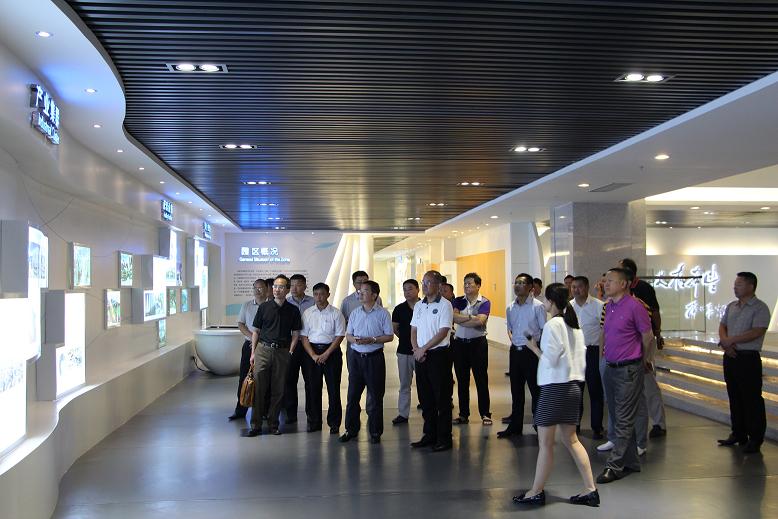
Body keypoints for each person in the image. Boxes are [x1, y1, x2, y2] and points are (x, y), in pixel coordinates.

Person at [513, 283, 599, 507]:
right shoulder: (574, 326)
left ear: (551, 302)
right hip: (573, 387)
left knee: (546, 443)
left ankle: (536, 491)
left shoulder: (553, 325)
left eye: (546, 299)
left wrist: (533, 347)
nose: (544, 302)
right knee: (571, 439)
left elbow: (550, 359)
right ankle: (590, 489)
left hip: (554, 388)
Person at [596, 268, 654, 484]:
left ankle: (615, 464)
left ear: (623, 284)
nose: (605, 284)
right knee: (617, 414)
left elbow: (648, 336)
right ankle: (631, 462)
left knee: (624, 417)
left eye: (610, 281)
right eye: (605, 280)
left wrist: (644, 360)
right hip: (610, 366)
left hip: (629, 368)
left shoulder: (635, 306)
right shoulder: (609, 306)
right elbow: (605, 334)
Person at [718, 272, 771, 454]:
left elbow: (757, 331)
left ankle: (755, 438)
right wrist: (726, 343)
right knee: (734, 396)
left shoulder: (760, 308)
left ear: (751, 286)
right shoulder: (731, 306)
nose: (735, 287)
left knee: (751, 399)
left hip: (748, 358)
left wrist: (731, 340)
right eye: (735, 284)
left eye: (739, 284)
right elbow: (722, 325)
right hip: (731, 356)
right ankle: (738, 433)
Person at [244, 275, 302, 436]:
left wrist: (290, 351)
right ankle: (255, 425)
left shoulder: (293, 310)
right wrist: (253, 353)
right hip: (263, 350)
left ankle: (273, 424)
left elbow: (295, 334)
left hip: (282, 352)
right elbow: (256, 331)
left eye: (281, 287)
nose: (277, 289)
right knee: (259, 388)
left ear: (287, 290)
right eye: (275, 286)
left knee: (278, 390)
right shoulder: (264, 307)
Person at [620, 258, 668, 441]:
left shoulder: (642, 291)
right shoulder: (617, 298)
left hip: (642, 344)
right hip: (626, 348)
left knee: (648, 383)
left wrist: (657, 334)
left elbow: (654, 313)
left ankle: (658, 423)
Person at [341, 280, 393, 444]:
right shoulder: (355, 313)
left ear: (374, 295)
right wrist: (355, 340)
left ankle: (375, 432)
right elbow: (348, 335)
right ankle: (351, 429)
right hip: (356, 358)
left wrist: (373, 340)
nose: (360, 293)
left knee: (376, 397)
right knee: (352, 396)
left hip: (374, 359)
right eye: (359, 291)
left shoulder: (383, 313)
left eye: (364, 291)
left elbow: (389, 336)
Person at [410, 270, 455, 452]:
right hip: (421, 356)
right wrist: (416, 349)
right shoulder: (419, 305)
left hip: (438, 356)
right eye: (423, 282)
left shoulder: (445, 305)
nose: (424, 285)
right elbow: (413, 329)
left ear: (438, 285)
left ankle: (444, 438)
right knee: (425, 398)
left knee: (442, 398)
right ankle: (429, 434)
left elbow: (443, 332)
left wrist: (424, 349)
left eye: (428, 282)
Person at [499, 273, 547, 437]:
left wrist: (539, 351)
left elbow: (543, 330)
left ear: (530, 287)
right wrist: (514, 341)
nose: (517, 286)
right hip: (515, 352)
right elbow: (510, 328)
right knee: (516, 390)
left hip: (531, 352)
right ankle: (515, 426)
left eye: (521, 283)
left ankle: (539, 425)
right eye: (516, 283)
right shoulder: (510, 307)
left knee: (535, 390)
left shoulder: (538, 306)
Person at [300, 282, 346, 434]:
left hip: (331, 353)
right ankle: (314, 421)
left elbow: (339, 335)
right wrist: (313, 355)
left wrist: (327, 353)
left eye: (322, 294)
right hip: (311, 352)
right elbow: (304, 336)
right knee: (312, 388)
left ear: (328, 295)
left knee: (333, 388)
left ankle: (334, 423)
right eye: (316, 294)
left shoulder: (336, 313)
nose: (318, 297)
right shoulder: (308, 313)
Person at [452, 272, 492, 425]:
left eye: (470, 283)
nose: (467, 286)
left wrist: (463, 319)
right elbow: (454, 318)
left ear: (478, 285)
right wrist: (471, 318)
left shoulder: (484, 302)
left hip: (478, 344)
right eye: (465, 283)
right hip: (460, 344)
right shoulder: (458, 300)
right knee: (462, 381)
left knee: (481, 379)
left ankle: (485, 413)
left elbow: (480, 321)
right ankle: (463, 414)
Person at [570, 276, 605, 439]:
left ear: (587, 287)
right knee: (576, 391)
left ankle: (597, 426)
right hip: (575, 353)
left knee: (595, 390)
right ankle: (575, 425)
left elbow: (604, 330)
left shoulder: (599, 306)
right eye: (573, 287)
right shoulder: (568, 307)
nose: (576, 290)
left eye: (579, 287)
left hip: (593, 351)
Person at [229, 278, 267, 421]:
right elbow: (241, 324)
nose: (257, 290)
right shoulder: (247, 305)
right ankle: (240, 410)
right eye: (255, 287)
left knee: (264, 379)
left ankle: (264, 411)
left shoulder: (271, 305)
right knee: (244, 377)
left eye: (260, 287)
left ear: (266, 289)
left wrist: (260, 341)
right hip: (249, 345)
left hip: (265, 346)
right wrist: (252, 338)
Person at [284, 274, 315, 424]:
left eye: (298, 285)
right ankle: (291, 414)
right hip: (292, 345)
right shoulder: (285, 303)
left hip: (309, 345)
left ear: (305, 286)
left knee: (311, 380)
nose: (294, 288)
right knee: (289, 380)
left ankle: (311, 414)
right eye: (291, 285)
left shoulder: (313, 302)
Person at [391, 279, 420, 425]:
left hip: (422, 351)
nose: (407, 292)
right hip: (404, 351)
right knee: (404, 384)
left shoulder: (425, 306)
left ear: (418, 290)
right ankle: (403, 413)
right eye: (405, 289)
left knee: (424, 384)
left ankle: (429, 410)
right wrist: (405, 338)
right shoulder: (399, 309)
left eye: (410, 289)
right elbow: (395, 328)